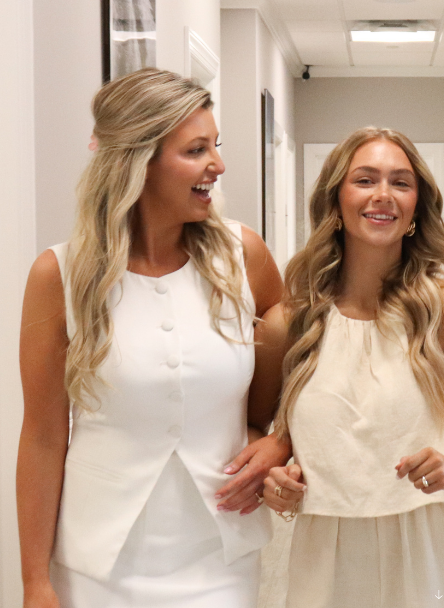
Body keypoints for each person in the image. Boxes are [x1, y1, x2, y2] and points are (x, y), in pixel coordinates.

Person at [16, 68, 290, 608]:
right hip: (98, 563)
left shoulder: (244, 257)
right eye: (196, 150)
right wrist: (34, 582)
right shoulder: (59, 276)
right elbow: (43, 437)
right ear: (137, 162)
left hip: (220, 554)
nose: (218, 165)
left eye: (215, 146)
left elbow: (299, 375)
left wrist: (279, 442)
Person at [258, 127, 444, 608]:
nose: (383, 194)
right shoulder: (290, 322)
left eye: (400, 183)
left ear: (416, 209)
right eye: (365, 180)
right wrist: (273, 482)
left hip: (434, 551)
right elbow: (259, 438)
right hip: (327, 553)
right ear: (335, 202)